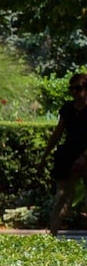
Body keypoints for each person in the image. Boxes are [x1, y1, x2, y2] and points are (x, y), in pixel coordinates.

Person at [49, 73, 87, 236]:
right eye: (71, 88)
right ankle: (52, 234)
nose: (74, 92)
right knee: (63, 196)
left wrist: (84, 157)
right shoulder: (67, 109)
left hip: (85, 155)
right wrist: (45, 156)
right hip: (68, 155)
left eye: (78, 88)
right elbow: (58, 132)